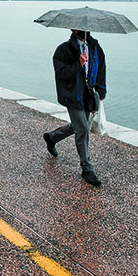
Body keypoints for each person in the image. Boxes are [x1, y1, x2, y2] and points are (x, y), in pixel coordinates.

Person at [43, 29, 106, 187]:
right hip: (72, 95)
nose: (84, 30)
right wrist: (79, 64)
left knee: (79, 126)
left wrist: (101, 90)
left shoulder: (95, 47)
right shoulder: (63, 49)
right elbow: (61, 73)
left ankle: (52, 137)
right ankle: (87, 168)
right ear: (72, 29)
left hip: (89, 95)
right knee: (83, 128)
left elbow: (101, 69)